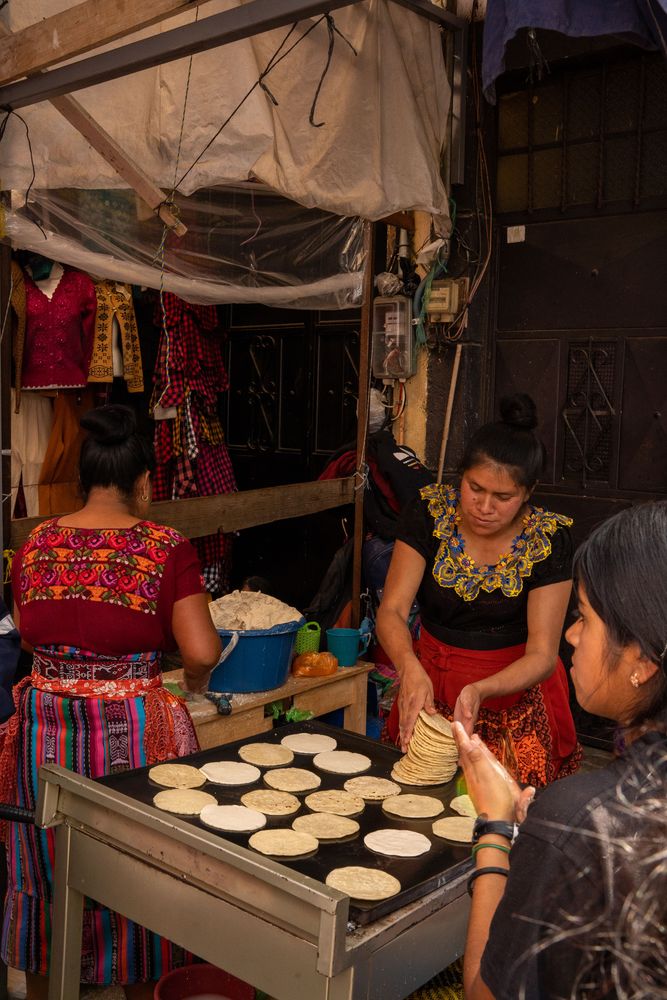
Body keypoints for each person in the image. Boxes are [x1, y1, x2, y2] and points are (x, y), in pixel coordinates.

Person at [0, 405, 222, 1000]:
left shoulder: (37, 541)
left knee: (45, 868)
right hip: (131, 741)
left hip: (44, 739)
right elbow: (201, 651)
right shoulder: (165, 547)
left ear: (82, 479)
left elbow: (28, 634)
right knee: (140, 870)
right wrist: (191, 681)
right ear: (143, 483)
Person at [454, 500, 667, 999]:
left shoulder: (582, 819)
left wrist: (497, 828)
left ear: (642, 660)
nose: (570, 635)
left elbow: (485, 993)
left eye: (585, 618)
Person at [377, 394, 580, 786]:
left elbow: (542, 655)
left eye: (503, 498)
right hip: (429, 685)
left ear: (528, 492)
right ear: (461, 475)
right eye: (475, 488)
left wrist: (480, 690)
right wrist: (408, 665)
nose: (484, 506)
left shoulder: (548, 539)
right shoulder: (429, 514)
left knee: (504, 809)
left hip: (513, 696)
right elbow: (392, 611)